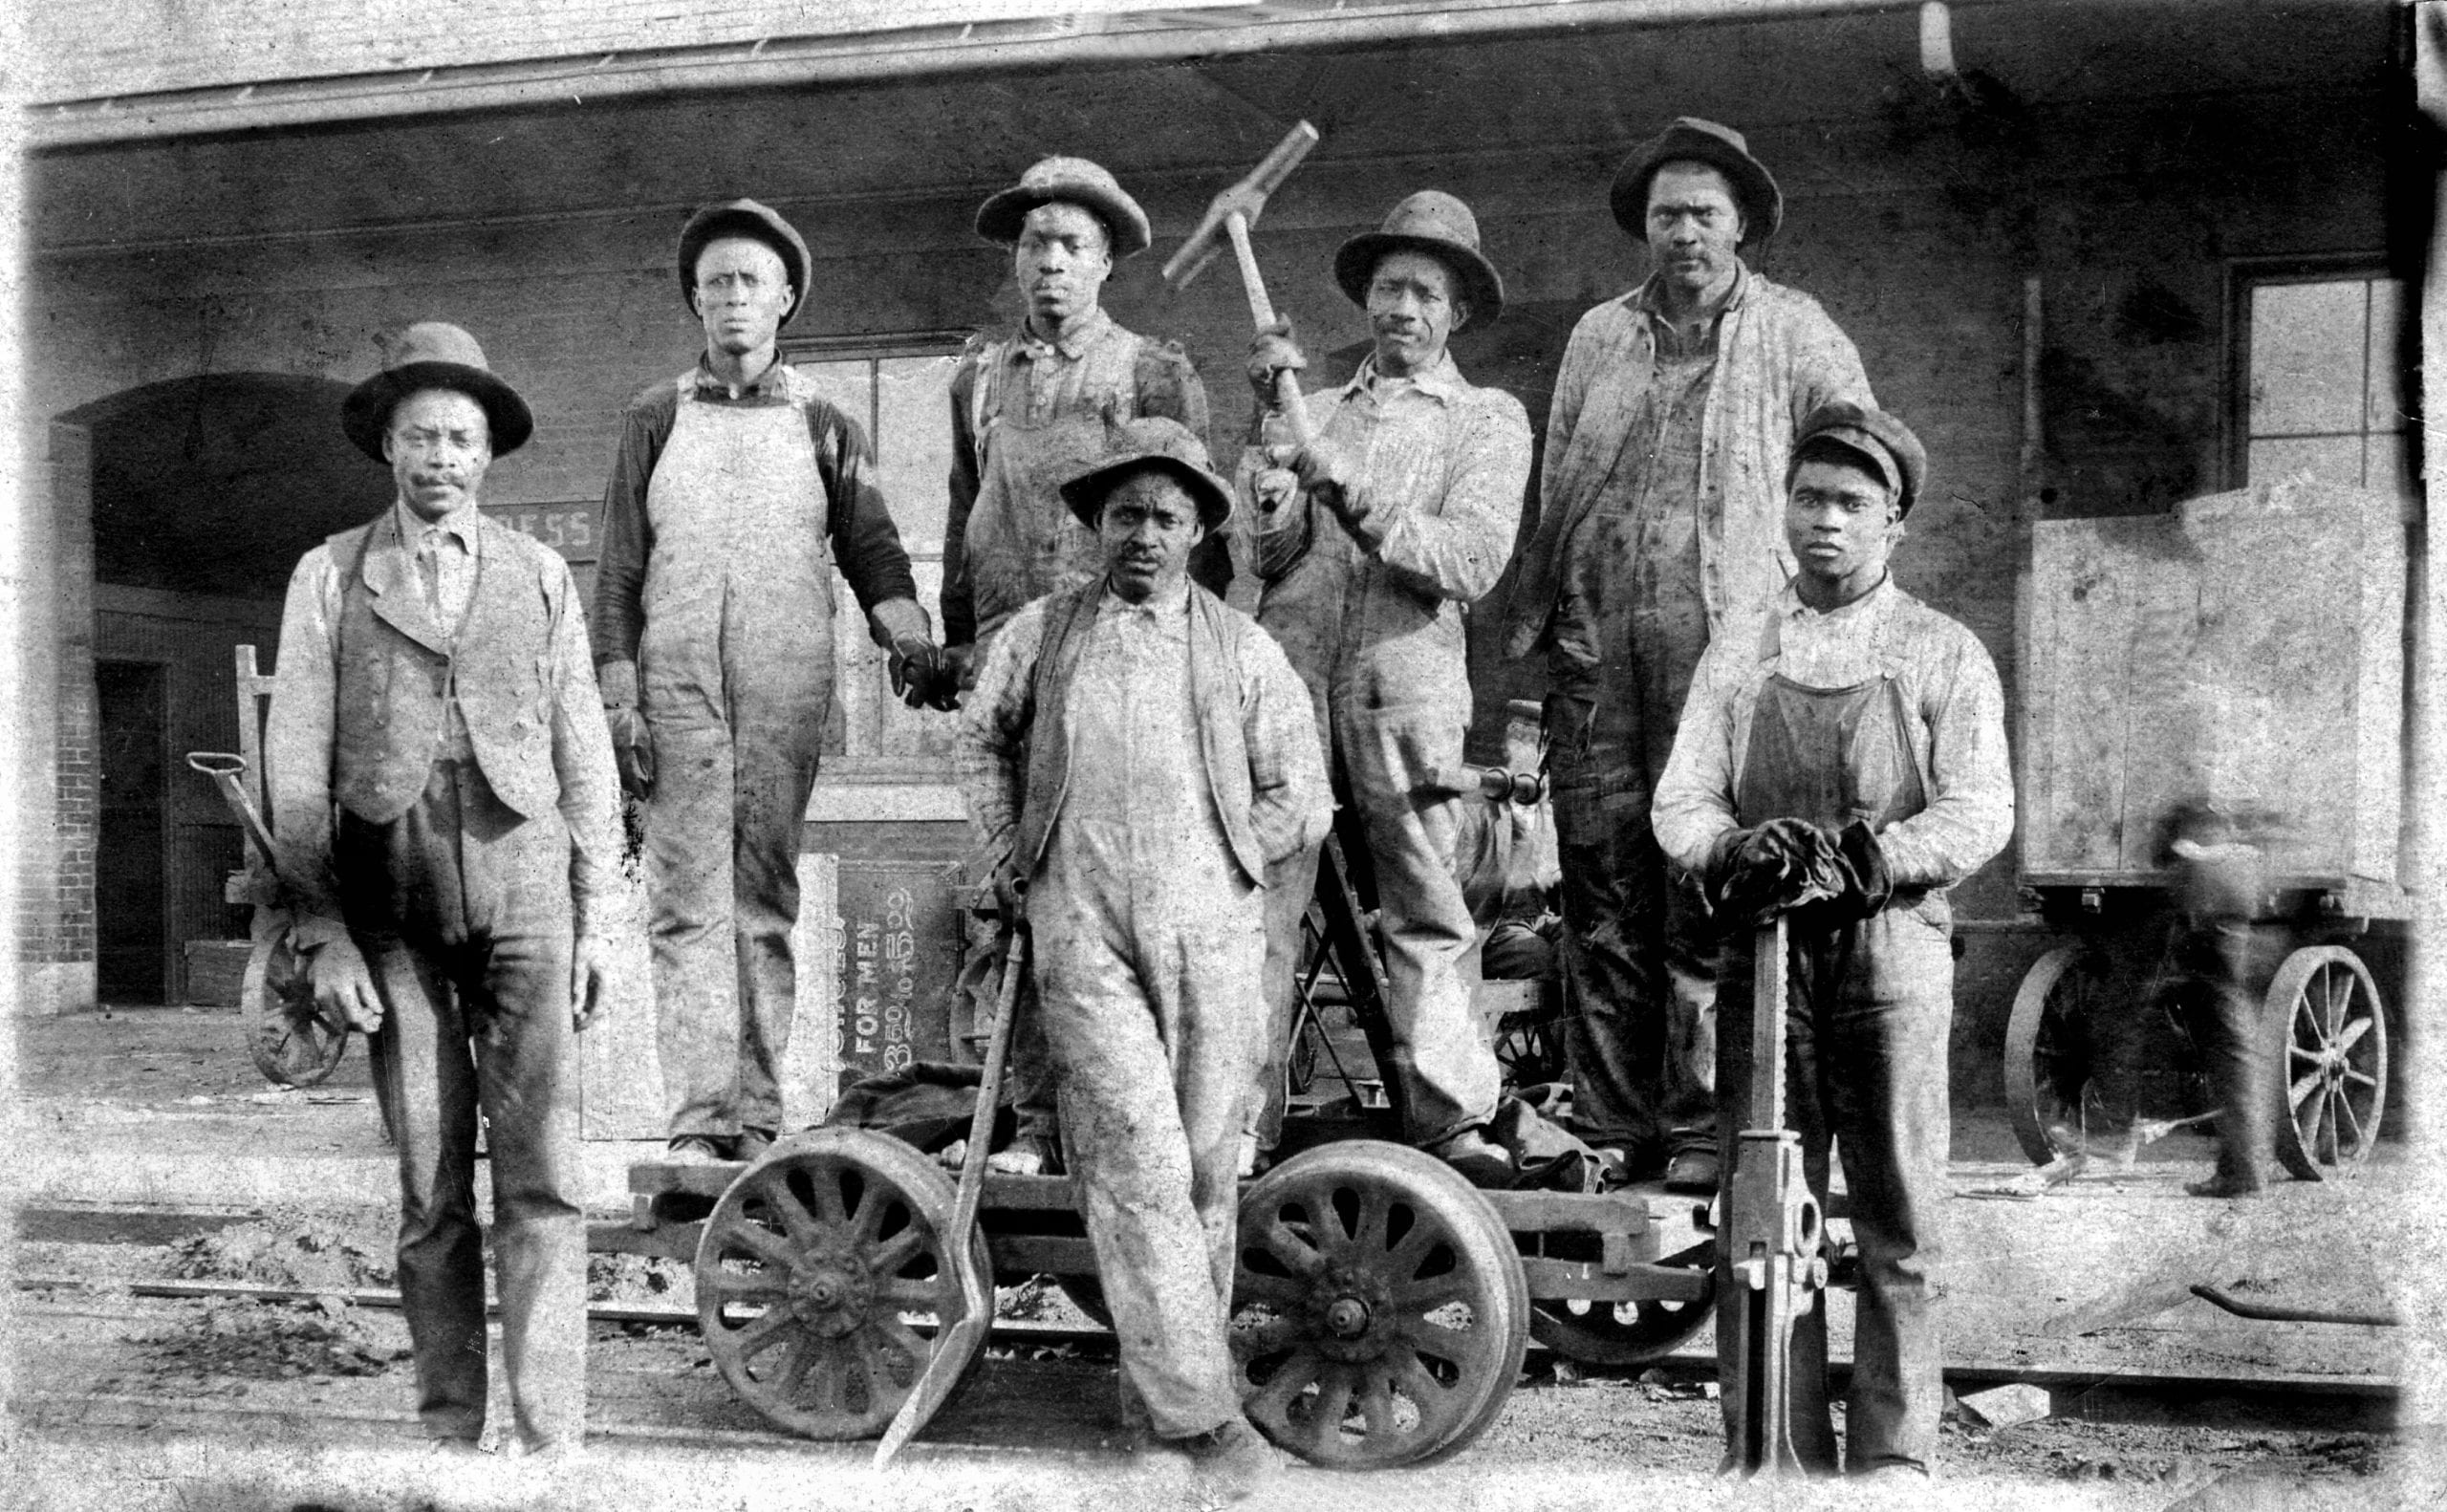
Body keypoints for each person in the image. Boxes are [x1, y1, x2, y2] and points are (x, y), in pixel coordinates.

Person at [954, 417, 1328, 1497]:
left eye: (1167, 517)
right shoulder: (1042, 632)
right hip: (1079, 919)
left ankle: (1158, 1407)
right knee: (1137, 1165)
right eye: (1125, 515)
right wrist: (1003, 853)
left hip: (1211, 923)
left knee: (1210, 1167)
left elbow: (1297, 789)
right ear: (1096, 526)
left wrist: (1229, 856)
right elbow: (979, 734)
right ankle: (1204, 1422)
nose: (1145, 536)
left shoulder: (1243, 648)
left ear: (1202, 528)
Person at [267, 322, 621, 1456]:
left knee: (546, 1180)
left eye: (460, 438)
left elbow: (584, 754)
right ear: (387, 447)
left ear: (487, 454)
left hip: (528, 906)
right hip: (392, 923)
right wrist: (317, 929)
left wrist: (598, 917)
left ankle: (551, 1434)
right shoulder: (328, 573)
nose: (441, 458)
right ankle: (448, 1433)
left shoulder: (539, 575)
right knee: (431, 1190)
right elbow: (295, 766)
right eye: (419, 435)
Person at [1504, 118, 1875, 1193]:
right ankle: (1615, 1122)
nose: (1684, 233)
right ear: (1644, 229)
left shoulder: (1797, 334)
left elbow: (1862, 472)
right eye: (1666, 214)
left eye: (1705, 213)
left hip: (1728, 665)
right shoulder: (1595, 339)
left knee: (1706, 892)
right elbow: (1558, 492)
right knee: (1602, 896)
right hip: (1598, 664)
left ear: (1742, 222)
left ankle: (1712, 1126)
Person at [1653, 402, 2012, 1479]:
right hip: (1763, 957)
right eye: (1808, 498)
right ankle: (1772, 1450)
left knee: (1898, 1214)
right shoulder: (1741, 649)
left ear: (1891, 524)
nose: (1826, 521)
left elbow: (1981, 809)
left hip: (1888, 954)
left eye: (1851, 504)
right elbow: (1681, 799)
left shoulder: (1939, 651)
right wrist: (1727, 849)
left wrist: (1880, 859)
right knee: (1760, 1209)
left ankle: (1895, 1461)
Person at [594, 200, 942, 1164]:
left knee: (761, 893)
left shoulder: (827, 424)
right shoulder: (653, 418)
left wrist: (906, 639)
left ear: (785, 297)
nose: (732, 299)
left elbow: (873, 551)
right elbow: (619, 569)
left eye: (750, 280)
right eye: (715, 283)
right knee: (684, 901)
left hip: (783, 685)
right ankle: (699, 1115)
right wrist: (618, 697)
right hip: (677, 690)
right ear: (694, 303)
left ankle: (755, 1116)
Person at [1244, 189, 1531, 1182]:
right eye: (1387, 288)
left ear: (1455, 313)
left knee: (1424, 898)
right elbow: (1265, 556)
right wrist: (1271, 461)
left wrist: (1348, 486)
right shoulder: (1310, 410)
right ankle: (1240, 1120)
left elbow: (1469, 560)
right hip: (1283, 688)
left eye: (1424, 292)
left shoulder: (1487, 420)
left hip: (1403, 696)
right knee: (1259, 900)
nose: (1401, 307)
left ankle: (1448, 1122)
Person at [942, 156, 1220, 1175]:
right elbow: (962, 515)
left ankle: (1135, 1130)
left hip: (1117, 673)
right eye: (1033, 244)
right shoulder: (979, 377)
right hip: (1014, 668)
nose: (1049, 264)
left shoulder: (1150, 372)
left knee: (1114, 908)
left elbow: (1196, 533)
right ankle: (1030, 1125)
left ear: (1106, 262)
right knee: (1005, 898)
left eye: (1071, 246)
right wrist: (960, 640)